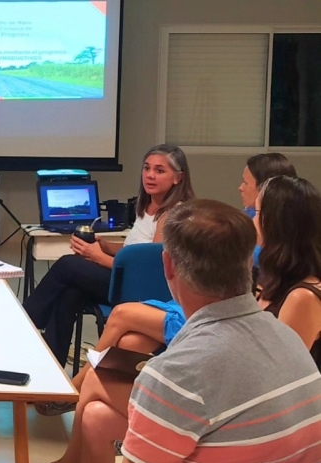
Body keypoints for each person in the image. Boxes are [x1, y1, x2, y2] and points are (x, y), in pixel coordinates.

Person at [31, 200, 321, 463]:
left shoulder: (174, 372)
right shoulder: (286, 335)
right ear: (248, 263)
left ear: (168, 266)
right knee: (96, 418)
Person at [49, 153, 300, 399]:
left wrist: (98, 256)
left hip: (211, 310)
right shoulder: (245, 222)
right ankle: (103, 400)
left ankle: (75, 389)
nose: (240, 187)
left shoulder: (251, 236)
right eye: (146, 168)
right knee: (128, 342)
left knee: (95, 290)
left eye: (247, 183)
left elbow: (156, 263)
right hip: (202, 304)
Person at [23, 144, 195, 366]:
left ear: (177, 178)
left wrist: (96, 256)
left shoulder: (172, 214)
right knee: (70, 294)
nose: (150, 175)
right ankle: (51, 374)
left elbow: (150, 271)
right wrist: (104, 245)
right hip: (125, 280)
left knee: (68, 265)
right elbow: (134, 253)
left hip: (142, 291)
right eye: (146, 168)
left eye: (160, 171)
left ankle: (25, 321)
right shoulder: (148, 206)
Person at [254, 176, 321, 364]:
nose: (253, 219)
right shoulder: (271, 278)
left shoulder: (303, 297)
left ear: (275, 223)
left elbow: (280, 372)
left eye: (257, 212)